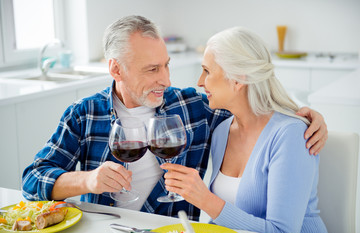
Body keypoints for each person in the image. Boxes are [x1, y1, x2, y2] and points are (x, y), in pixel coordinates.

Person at [22, 16, 327, 221]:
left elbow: (253, 102)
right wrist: (86, 179)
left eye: (166, 66)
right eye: (152, 70)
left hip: (172, 232)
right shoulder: (84, 114)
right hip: (106, 230)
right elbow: (32, 180)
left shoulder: (192, 107)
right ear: (116, 70)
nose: (166, 80)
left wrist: (304, 113)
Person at [161, 27, 329, 233]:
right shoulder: (222, 130)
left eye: (207, 71)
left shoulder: (291, 136)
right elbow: (227, 218)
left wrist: (205, 200)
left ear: (238, 79)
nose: (200, 81)